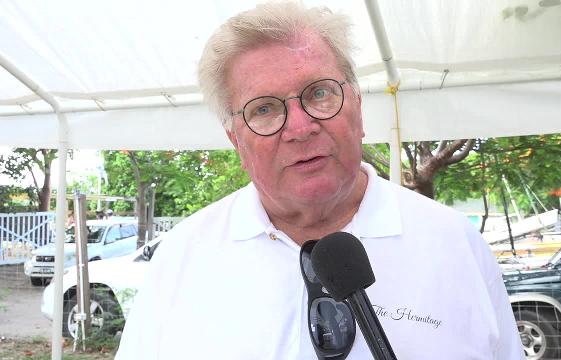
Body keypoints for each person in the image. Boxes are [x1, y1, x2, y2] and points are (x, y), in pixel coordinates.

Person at [116, 3, 523, 359]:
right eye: (264, 109)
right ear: (235, 140)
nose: (300, 127)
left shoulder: (453, 243)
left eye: (319, 94)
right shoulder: (183, 257)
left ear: (358, 109)